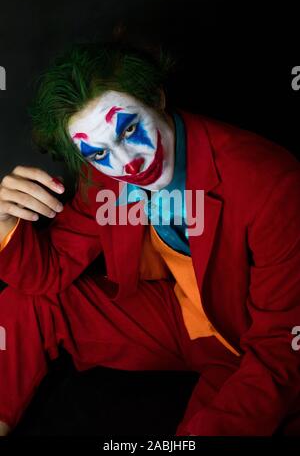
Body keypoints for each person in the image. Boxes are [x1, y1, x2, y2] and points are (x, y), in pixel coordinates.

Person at [0, 42, 299, 436]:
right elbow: (51, 270)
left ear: (156, 98)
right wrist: (4, 222)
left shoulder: (274, 184)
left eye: (129, 129)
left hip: (249, 345)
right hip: (179, 316)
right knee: (25, 301)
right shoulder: (104, 175)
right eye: (98, 152)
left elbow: (281, 353)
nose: (127, 162)